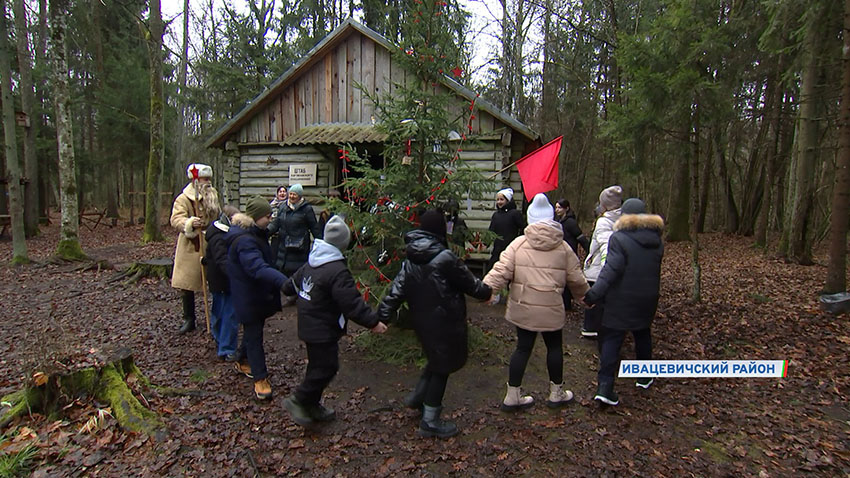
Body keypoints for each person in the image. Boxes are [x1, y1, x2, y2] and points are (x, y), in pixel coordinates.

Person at [378, 210, 492, 439]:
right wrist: (487, 291)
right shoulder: (445, 258)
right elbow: (471, 285)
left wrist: (381, 316)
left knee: (435, 359)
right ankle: (430, 420)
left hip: (422, 322)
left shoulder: (410, 258)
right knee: (442, 367)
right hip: (445, 322)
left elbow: (395, 291)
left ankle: (417, 397)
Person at [483, 194, 589, 411]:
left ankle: (512, 395)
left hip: (524, 307)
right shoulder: (563, 248)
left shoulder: (518, 244)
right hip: (551, 307)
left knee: (522, 348)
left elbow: (500, 271)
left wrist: (485, 291)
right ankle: (556, 393)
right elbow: (576, 278)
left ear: (530, 218)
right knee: (554, 347)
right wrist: (587, 298)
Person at [281, 216, 388, 427]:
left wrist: (293, 289)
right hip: (322, 328)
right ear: (343, 244)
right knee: (327, 367)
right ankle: (299, 400)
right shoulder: (337, 270)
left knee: (318, 366)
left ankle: (312, 405)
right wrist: (373, 323)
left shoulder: (313, 261)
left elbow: (289, 286)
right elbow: (352, 303)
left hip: (309, 325)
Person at [583, 198, 664, 406]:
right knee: (643, 334)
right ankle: (644, 377)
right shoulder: (657, 241)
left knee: (612, 338)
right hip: (647, 298)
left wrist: (593, 294)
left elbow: (611, 270)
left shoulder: (619, 239)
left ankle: (605, 387)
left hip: (621, 298)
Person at [226, 196, 288, 400]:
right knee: (254, 335)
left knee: (254, 330)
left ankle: (241, 359)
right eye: (267, 216)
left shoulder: (256, 233)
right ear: (255, 217)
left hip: (257, 294)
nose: (270, 219)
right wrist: (283, 282)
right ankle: (260, 378)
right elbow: (257, 267)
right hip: (248, 296)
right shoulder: (244, 241)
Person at [170, 163, 221, 334]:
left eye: (209, 179)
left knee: (215, 280)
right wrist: (190, 223)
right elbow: (176, 219)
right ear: (196, 180)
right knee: (187, 283)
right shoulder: (183, 199)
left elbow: (218, 216)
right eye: (205, 179)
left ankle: (215, 316)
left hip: (212, 243)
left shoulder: (212, 196)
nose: (208, 182)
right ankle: (189, 318)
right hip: (191, 244)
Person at [581, 185, 623, 338]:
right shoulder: (621, 219)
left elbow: (607, 247)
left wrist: (607, 269)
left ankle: (592, 329)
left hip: (599, 270)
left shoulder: (604, 222)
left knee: (595, 300)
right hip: (606, 269)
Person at [204, 205, 240, 361]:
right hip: (224, 281)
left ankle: (220, 341)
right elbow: (221, 260)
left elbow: (210, 257)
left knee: (220, 311)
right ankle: (227, 348)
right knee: (229, 314)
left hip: (218, 280)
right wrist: (236, 275)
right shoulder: (219, 236)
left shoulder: (216, 234)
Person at [268, 183, 322, 280]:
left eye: (294, 194)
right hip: (283, 250)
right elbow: (276, 224)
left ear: (300, 196)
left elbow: (314, 228)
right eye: (291, 194)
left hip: (299, 251)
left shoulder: (307, 209)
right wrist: (265, 232)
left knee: (296, 277)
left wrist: (321, 243)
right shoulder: (283, 207)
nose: (292, 196)